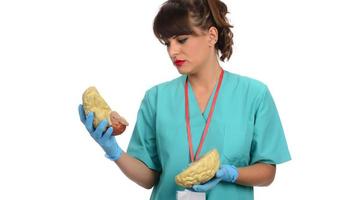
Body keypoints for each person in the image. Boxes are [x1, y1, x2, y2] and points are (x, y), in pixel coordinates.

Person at [78, 0, 291, 199]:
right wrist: (113, 150)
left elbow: (267, 172)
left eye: (181, 40)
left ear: (211, 36)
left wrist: (231, 173)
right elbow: (149, 177)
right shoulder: (156, 98)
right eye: (167, 43)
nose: (173, 51)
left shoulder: (254, 95)